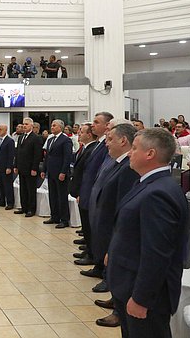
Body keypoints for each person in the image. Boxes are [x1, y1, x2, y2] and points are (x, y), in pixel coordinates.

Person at [107, 128, 188, 338]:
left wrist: (142, 298)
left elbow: (157, 253)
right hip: (128, 283)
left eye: (134, 148)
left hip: (144, 294)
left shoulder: (158, 193)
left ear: (150, 154)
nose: (130, 153)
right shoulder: (147, 183)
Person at [88, 123, 140, 326]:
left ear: (123, 141)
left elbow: (123, 204)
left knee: (119, 271)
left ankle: (119, 311)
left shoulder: (127, 167)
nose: (106, 143)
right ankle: (116, 299)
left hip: (115, 227)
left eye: (110, 139)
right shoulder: (117, 162)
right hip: (107, 223)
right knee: (115, 272)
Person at [77, 112, 113, 274]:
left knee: (98, 231)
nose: (93, 126)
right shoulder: (99, 143)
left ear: (107, 126)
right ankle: (95, 259)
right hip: (89, 191)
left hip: (96, 192)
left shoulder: (106, 145)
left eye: (96, 122)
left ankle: (99, 263)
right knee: (91, 228)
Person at [69, 124, 99, 262]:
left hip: (85, 191)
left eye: (82, 132)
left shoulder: (93, 149)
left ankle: (91, 254)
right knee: (85, 224)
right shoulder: (85, 148)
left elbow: (88, 173)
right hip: (81, 190)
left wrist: (82, 191)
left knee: (88, 224)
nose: (79, 134)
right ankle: (88, 248)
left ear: (89, 134)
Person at [42, 119, 74, 228]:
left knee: (62, 196)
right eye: (51, 125)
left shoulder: (65, 140)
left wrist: (63, 172)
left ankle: (64, 219)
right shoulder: (50, 139)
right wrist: (44, 170)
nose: (52, 127)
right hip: (51, 172)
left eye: (54, 125)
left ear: (60, 127)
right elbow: (47, 156)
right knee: (53, 195)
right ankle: (54, 216)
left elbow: (67, 157)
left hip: (60, 172)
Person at [14, 117, 43, 217]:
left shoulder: (36, 138)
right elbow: (18, 152)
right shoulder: (21, 137)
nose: (24, 126)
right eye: (23, 124)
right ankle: (24, 207)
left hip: (30, 168)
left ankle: (31, 209)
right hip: (21, 167)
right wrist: (16, 165)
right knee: (23, 189)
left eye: (26, 124)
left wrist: (34, 168)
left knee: (30, 189)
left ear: (31, 126)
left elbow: (37, 155)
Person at [0, 124, 15, 209]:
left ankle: (10, 202)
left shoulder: (10, 141)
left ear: (6, 130)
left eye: (1, 129)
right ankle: (1, 201)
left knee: (7, 185)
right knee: (0, 185)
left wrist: (9, 167)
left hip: (6, 167)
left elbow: (11, 155)